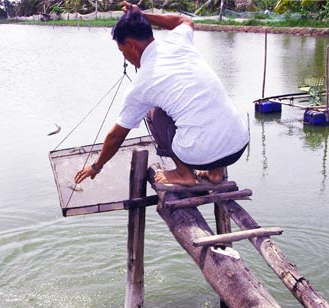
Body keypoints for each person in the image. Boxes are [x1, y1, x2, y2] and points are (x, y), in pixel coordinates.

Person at [74, 1, 249, 186]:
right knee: (200, 104)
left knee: (153, 113)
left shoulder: (142, 84)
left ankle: (184, 174)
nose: (125, 57)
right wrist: (143, 15)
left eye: (122, 50)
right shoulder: (178, 41)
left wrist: (96, 166)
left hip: (201, 154)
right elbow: (185, 20)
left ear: (131, 45)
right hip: (238, 144)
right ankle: (215, 173)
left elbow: (116, 136)